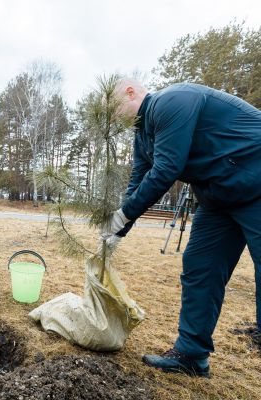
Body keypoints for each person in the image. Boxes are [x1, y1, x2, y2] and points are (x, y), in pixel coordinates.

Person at [102, 78, 261, 377]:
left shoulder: (173, 101)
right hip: (219, 196)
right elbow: (139, 180)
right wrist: (117, 231)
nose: (113, 119)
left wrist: (124, 215)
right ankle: (191, 355)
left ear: (130, 92)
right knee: (200, 267)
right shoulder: (143, 135)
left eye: (112, 110)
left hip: (256, 176)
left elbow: (166, 170)